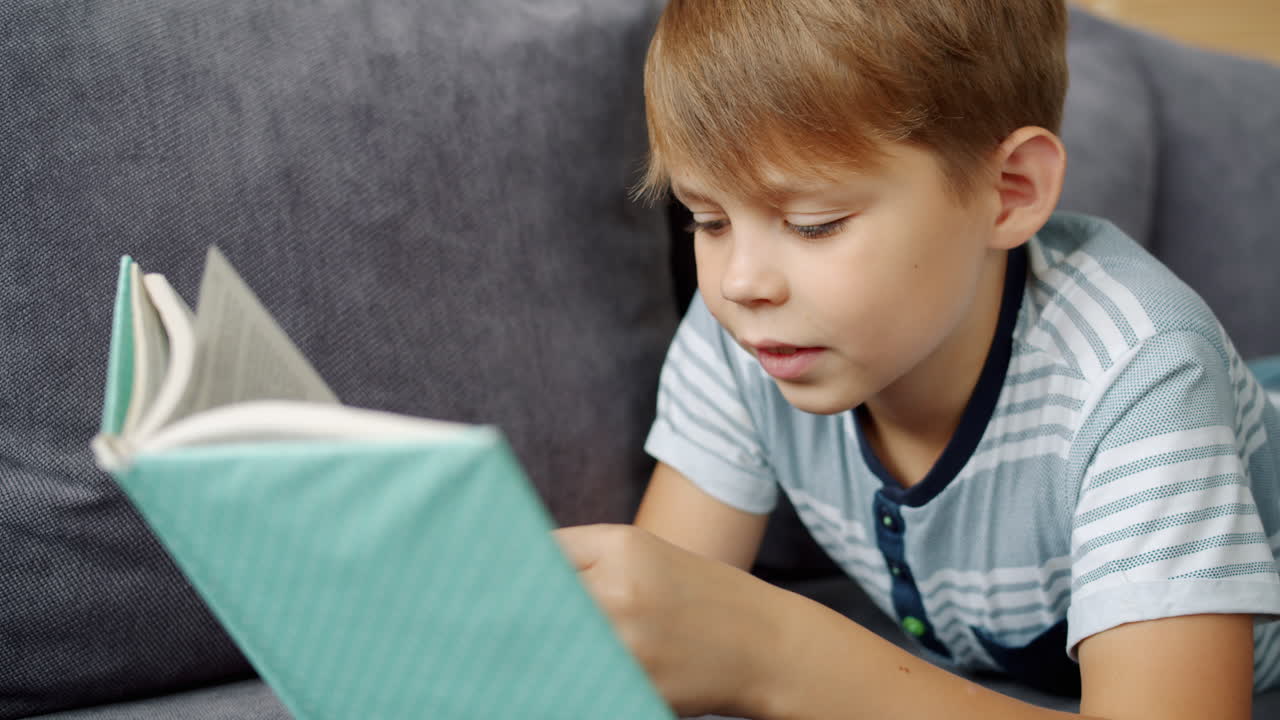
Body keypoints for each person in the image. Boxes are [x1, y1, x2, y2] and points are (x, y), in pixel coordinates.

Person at [554, 1, 1280, 718]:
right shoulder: (750, 338)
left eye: (814, 224)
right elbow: (648, 641)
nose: (740, 282)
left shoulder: (1143, 377)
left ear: (1009, 192)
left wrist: (781, 652)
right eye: (707, 220)